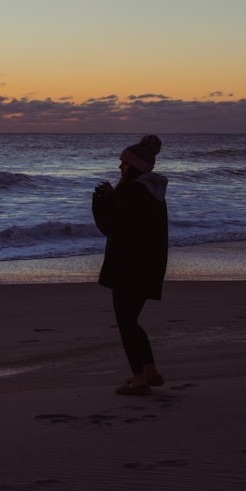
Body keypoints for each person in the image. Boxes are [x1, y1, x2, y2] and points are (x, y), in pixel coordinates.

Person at [92, 134, 169, 396]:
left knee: (126, 323)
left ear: (134, 167)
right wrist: (112, 198)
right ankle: (150, 371)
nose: (120, 168)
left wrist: (101, 203)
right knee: (132, 321)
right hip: (147, 266)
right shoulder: (150, 192)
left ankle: (139, 379)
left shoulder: (135, 192)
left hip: (129, 267)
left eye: (124, 164)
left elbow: (113, 227)